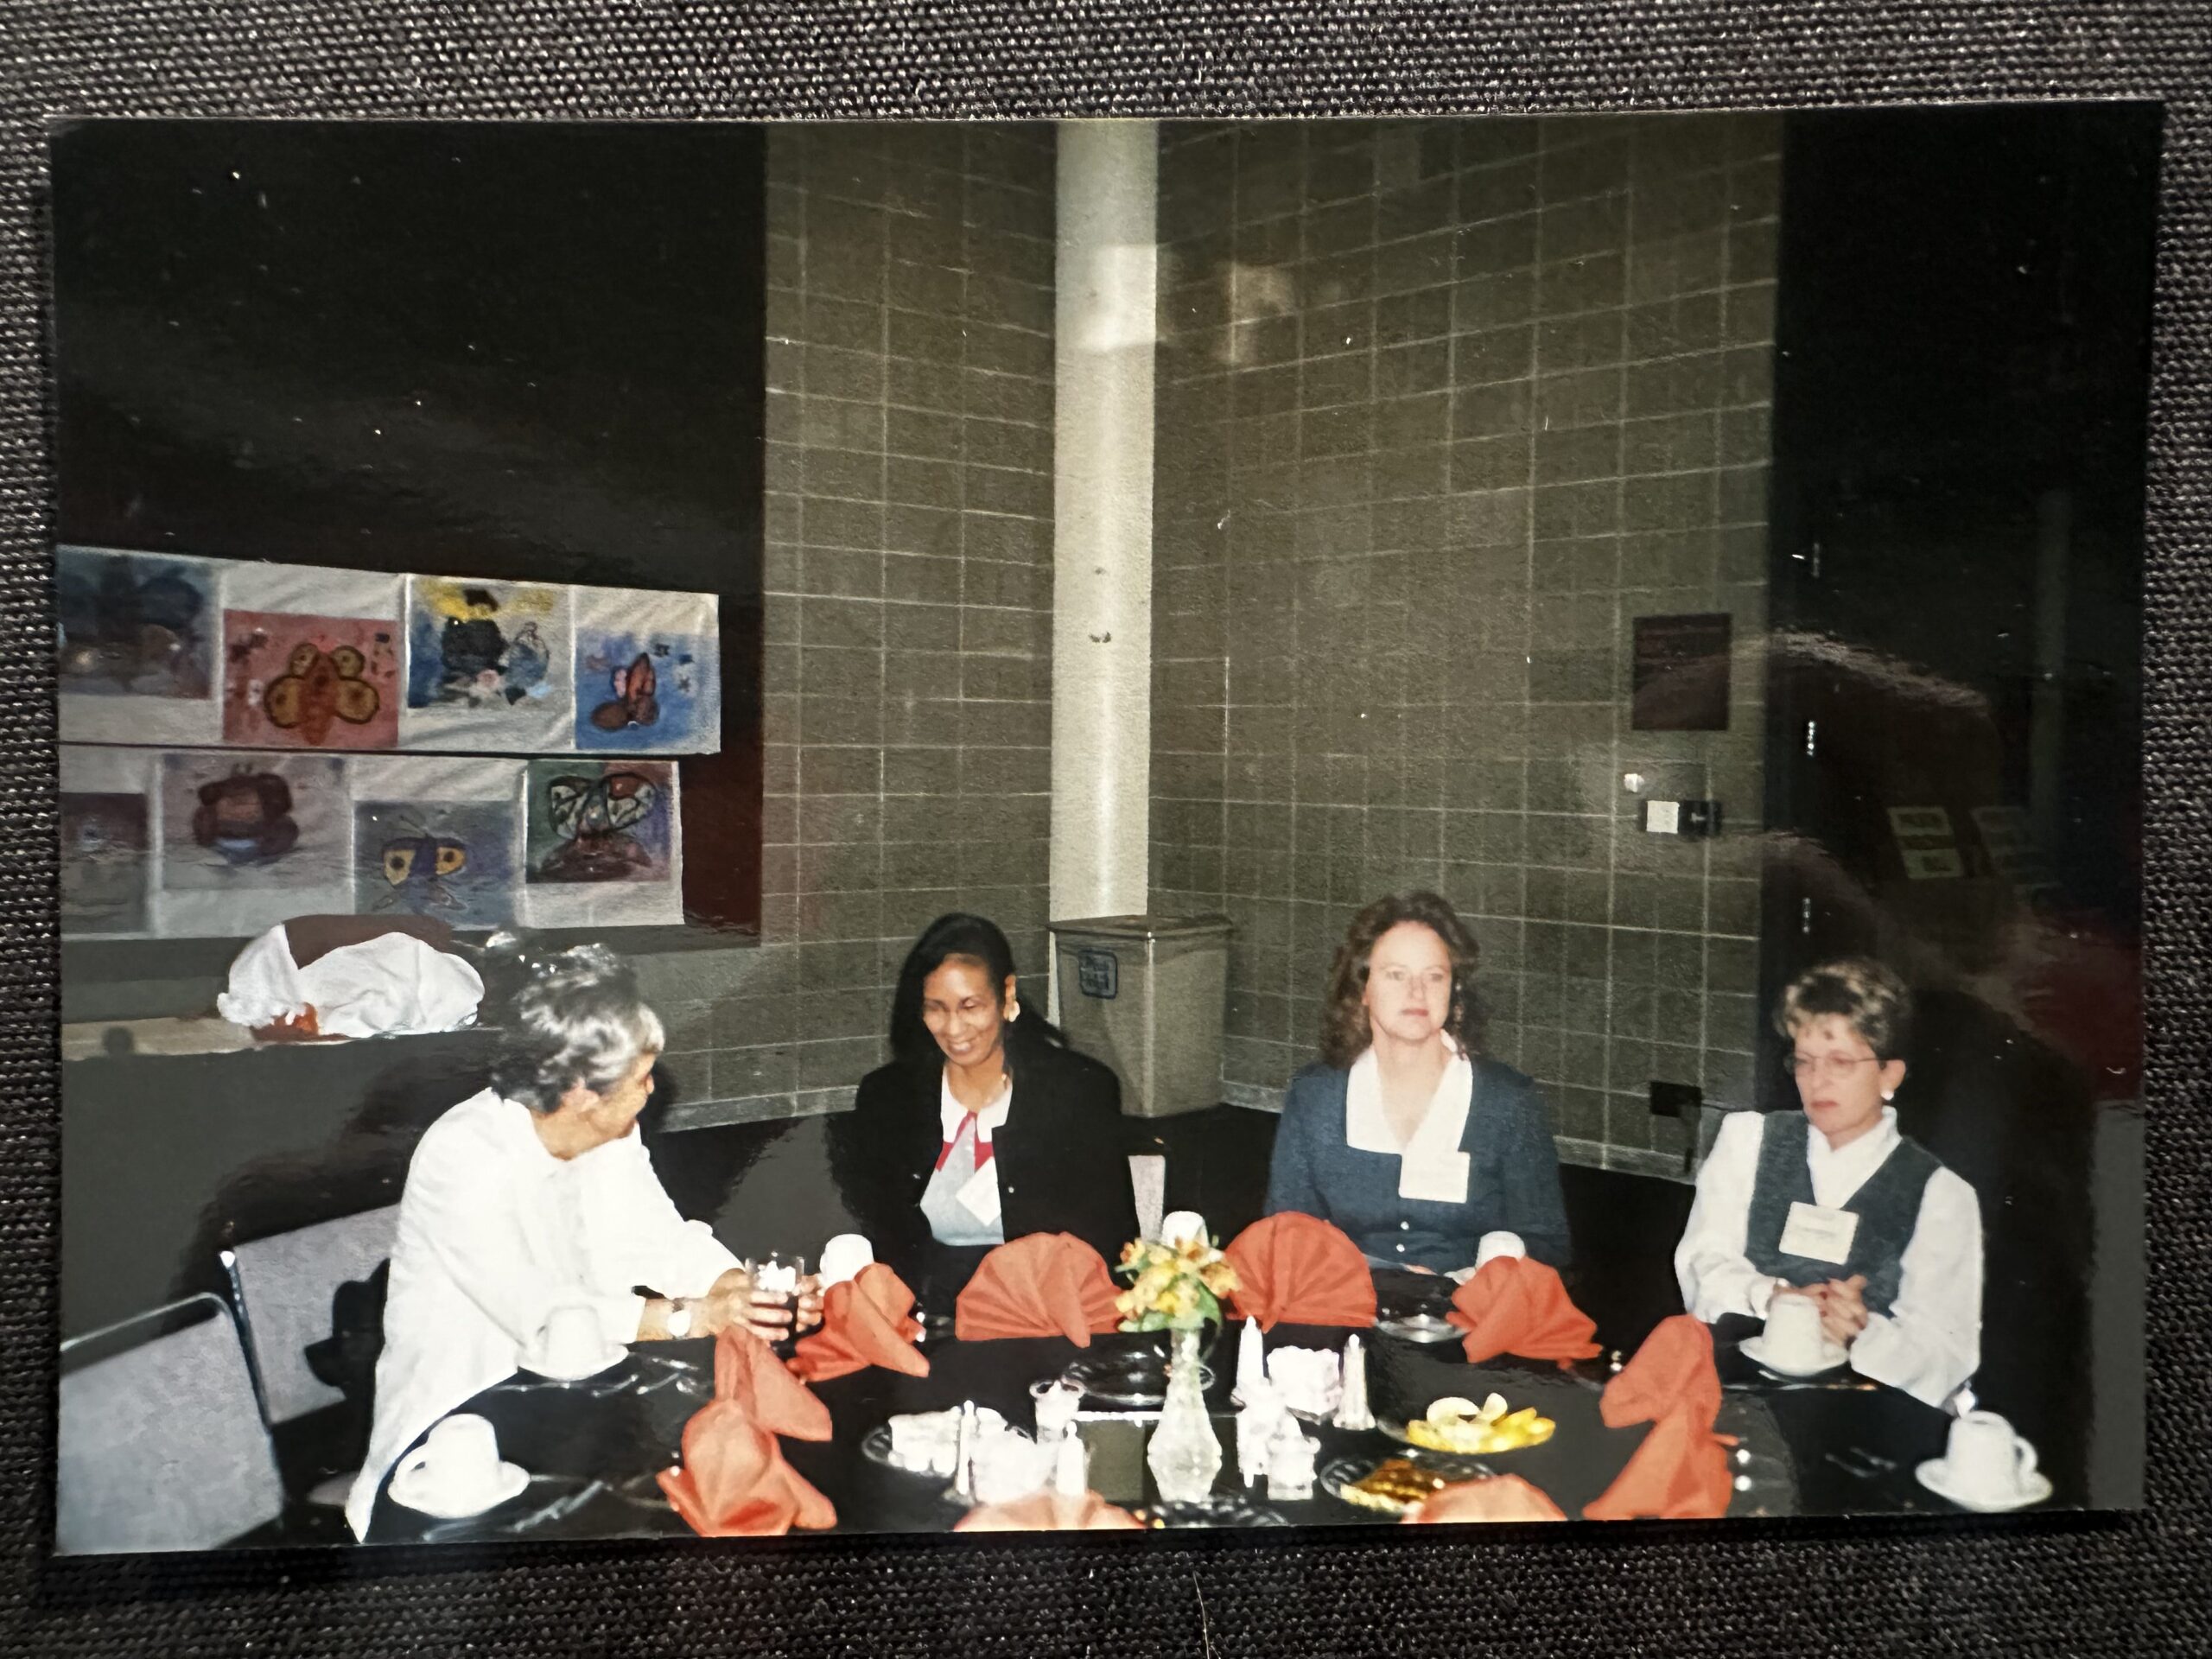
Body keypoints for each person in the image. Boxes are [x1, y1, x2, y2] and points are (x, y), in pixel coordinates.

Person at [346, 945, 818, 1541]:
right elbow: (546, 1315)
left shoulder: (609, 1128)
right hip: (459, 1431)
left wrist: (735, 1289)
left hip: (586, 1400)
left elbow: (657, 1235)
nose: (651, 1090)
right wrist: (698, 1316)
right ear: (580, 1092)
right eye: (640, 1078)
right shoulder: (463, 1155)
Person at [1674, 957, 1982, 1408]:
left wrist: (1863, 1334)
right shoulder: (1749, 1141)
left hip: (1867, 1415)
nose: (1818, 1081)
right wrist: (1775, 1299)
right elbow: (1702, 1265)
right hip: (1742, 1394)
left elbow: (1947, 1356)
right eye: (1804, 1062)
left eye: (1840, 1062)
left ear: (1889, 1074)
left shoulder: (1942, 1195)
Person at [829, 913, 1139, 1307]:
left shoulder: (1078, 1090)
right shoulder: (889, 1096)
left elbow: (1111, 1242)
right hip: (923, 1315)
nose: (954, 1029)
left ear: (1007, 995)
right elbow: (870, 1233)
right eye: (936, 1008)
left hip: (1044, 1313)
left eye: (970, 1006)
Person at [1264, 891, 1572, 1274]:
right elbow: (1285, 1234)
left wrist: (1475, 1277)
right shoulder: (1315, 1096)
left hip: (1470, 1304)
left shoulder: (1508, 1101)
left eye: (1434, 976)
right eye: (1396, 974)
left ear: (1453, 991)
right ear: (1363, 988)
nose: (1417, 992)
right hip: (1344, 1299)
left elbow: (1549, 1246)